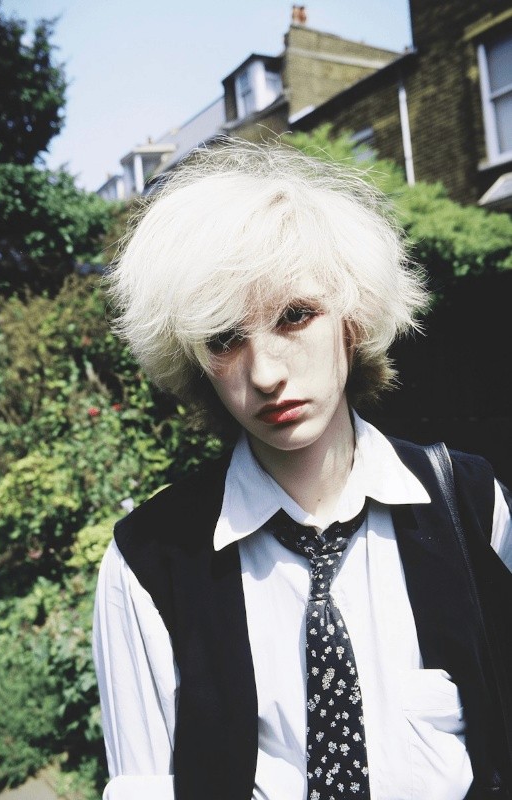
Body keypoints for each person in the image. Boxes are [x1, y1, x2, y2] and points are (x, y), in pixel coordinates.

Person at [92, 140, 512, 800]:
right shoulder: (148, 563)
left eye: (295, 316)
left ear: (351, 319)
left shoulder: (470, 502)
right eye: (223, 337)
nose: (265, 373)